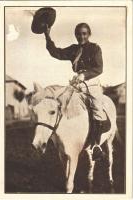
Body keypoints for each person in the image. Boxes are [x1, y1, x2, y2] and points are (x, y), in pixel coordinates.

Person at [44, 23, 110, 160]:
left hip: (92, 81)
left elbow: (99, 68)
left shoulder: (95, 48)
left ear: (89, 34)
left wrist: (84, 76)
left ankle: (96, 145)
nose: (81, 36)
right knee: (62, 101)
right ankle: (59, 138)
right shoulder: (73, 49)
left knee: (97, 107)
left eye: (84, 33)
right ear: (75, 35)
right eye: (79, 34)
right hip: (76, 82)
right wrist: (47, 35)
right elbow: (56, 53)